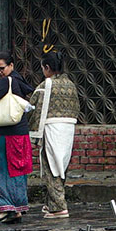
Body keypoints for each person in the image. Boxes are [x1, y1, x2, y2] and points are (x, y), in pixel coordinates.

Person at [0, 51, 34, 224]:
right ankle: (15, 208)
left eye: (2, 68)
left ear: (11, 66)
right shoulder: (21, 81)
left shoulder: (7, 82)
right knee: (16, 172)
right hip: (21, 135)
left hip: (5, 135)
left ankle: (6, 206)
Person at [27, 51, 80, 219]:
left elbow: (34, 107)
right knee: (61, 166)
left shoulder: (47, 84)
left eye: (43, 68)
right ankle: (51, 203)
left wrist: (33, 133)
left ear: (47, 68)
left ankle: (59, 207)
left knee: (51, 167)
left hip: (51, 128)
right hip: (68, 129)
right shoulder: (70, 84)